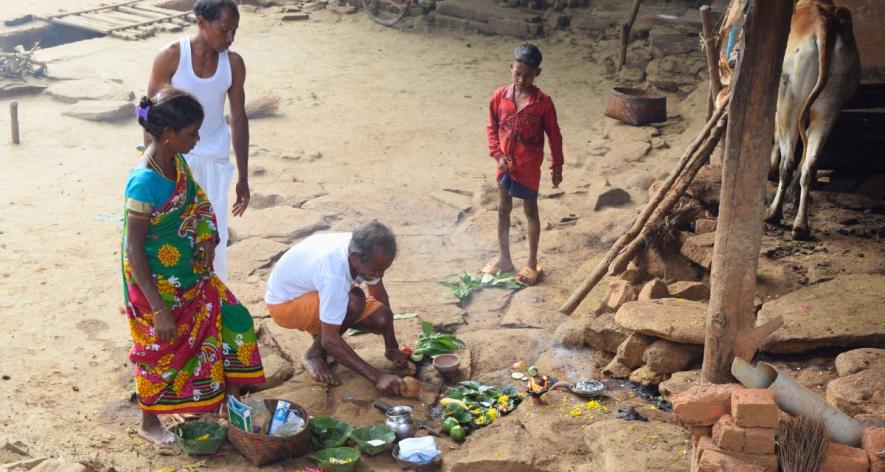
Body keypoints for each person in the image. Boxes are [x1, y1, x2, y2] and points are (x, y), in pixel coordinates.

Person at [123, 88, 264, 445]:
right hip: (156, 285)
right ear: (169, 135)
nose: (198, 139)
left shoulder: (177, 162)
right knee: (159, 353)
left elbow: (199, 205)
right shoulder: (143, 182)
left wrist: (206, 238)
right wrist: (158, 308)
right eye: (192, 133)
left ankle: (223, 402)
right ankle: (149, 423)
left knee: (237, 321)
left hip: (193, 276)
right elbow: (133, 250)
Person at [146, 0, 250, 282]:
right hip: (177, 156)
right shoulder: (170, 57)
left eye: (234, 31)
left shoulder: (234, 64)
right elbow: (147, 111)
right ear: (202, 23)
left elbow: (238, 119)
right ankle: (165, 292)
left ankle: (213, 297)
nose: (230, 38)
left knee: (213, 230)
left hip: (215, 159)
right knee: (172, 227)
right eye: (224, 30)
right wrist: (153, 166)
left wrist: (243, 176)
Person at [264, 222, 409, 396]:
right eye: (377, 270)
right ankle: (313, 354)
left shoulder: (365, 250)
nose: (380, 275)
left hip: (318, 290)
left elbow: (379, 295)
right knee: (354, 302)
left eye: (384, 270)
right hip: (285, 304)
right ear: (355, 259)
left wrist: (391, 346)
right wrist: (377, 377)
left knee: (382, 317)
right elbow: (330, 340)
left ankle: (323, 335)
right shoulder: (334, 271)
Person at [483, 42, 564, 286]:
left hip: (528, 167)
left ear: (537, 74)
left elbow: (555, 135)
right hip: (505, 165)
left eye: (528, 76)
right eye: (517, 74)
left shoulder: (543, 103)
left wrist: (556, 166)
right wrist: (498, 155)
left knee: (530, 211)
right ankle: (504, 258)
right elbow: (492, 128)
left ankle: (531, 263)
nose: (521, 80)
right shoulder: (499, 96)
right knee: (502, 208)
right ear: (511, 68)